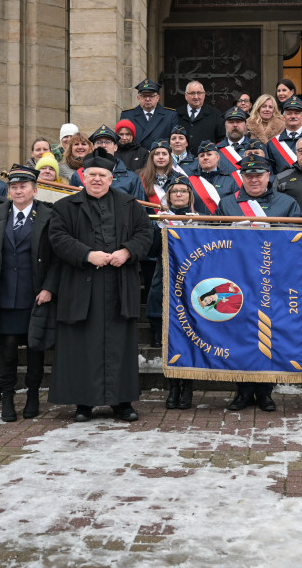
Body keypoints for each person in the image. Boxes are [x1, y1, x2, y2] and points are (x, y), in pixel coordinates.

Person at [49, 147, 155, 422]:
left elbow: (146, 233)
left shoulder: (130, 204)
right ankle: (83, 403)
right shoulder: (64, 207)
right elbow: (58, 238)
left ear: (111, 179)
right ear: (83, 177)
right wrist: (87, 254)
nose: (97, 179)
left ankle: (122, 402)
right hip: (81, 287)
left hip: (119, 286)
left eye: (103, 175)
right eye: (92, 174)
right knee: (81, 345)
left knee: (120, 345)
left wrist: (127, 251)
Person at [216, 154, 302, 412]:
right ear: (242, 177)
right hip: (237, 278)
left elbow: (299, 239)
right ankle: (242, 391)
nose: (254, 179)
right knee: (239, 334)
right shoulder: (228, 204)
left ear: (269, 177)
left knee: (270, 333)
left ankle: (266, 391)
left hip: (273, 277)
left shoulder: (287, 203)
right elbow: (214, 239)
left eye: (259, 175)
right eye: (249, 175)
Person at [0, 165, 58, 422]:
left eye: (23, 186)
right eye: (14, 186)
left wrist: (49, 288)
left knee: (35, 349)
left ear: (34, 189)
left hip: (34, 295)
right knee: (7, 350)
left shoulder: (47, 214)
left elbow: (57, 257)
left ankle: (33, 396)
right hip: (4, 296)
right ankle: (8, 398)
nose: (18, 190)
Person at [148, 174, 200, 410]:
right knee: (170, 341)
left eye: (183, 191)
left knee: (189, 338)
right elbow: (149, 250)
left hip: (192, 285)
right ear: (168, 196)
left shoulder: (200, 219)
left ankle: (187, 386)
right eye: (175, 191)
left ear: (190, 196)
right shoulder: (158, 218)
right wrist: (159, 225)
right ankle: (173, 387)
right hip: (166, 282)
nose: (179, 194)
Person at [72, 126, 147, 200]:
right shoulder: (79, 176)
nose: (103, 145)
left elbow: (139, 208)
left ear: (115, 147)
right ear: (93, 147)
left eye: (108, 142)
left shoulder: (131, 178)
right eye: (99, 142)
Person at [119, 79, 179, 151]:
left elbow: (175, 140)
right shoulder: (127, 115)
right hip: (135, 158)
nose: (147, 99)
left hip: (159, 157)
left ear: (157, 98)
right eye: (144, 96)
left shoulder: (170, 115)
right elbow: (122, 139)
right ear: (138, 98)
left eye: (151, 96)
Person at [186, 141, 239, 213]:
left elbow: (236, 206)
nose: (205, 158)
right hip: (199, 222)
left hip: (225, 222)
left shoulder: (230, 181)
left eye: (209, 154)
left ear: (217, 157)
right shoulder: (190, 181)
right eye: (202, 156)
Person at [177, 80, 224, 154]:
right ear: (186, 95)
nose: (196, 97)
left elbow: (222, 140)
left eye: (199, 93)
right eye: (192, 93)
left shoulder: (215, 114)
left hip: (206, 161)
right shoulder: (176, 113)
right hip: (181, 161)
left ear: (204, 94)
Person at [138, 141, 177, 205]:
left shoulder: (178, 177)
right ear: (151, 157)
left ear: (170, 157)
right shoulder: (140, 176)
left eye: (164, 154)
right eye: (157, 154)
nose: (161, 157)